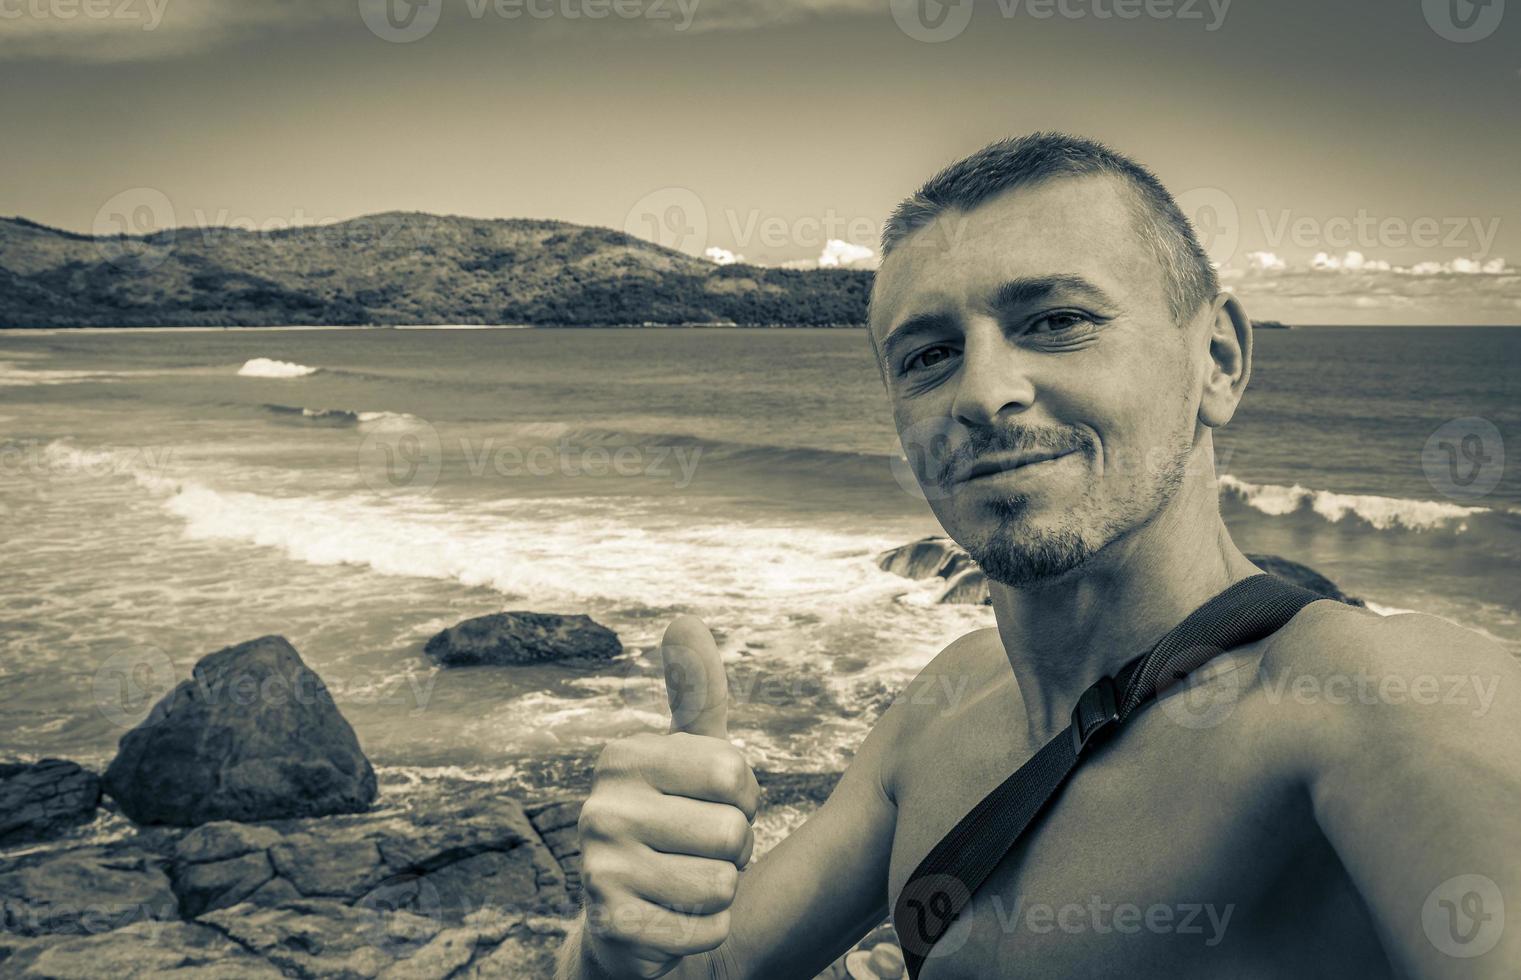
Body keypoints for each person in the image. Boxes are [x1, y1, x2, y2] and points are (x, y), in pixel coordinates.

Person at [556, 133, 1521, 979]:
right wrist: (615, 942)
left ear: (1217, 362)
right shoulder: (946, 709)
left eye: (1057, 321)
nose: (983, 391)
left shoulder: (1375, 699)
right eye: (927, 354)